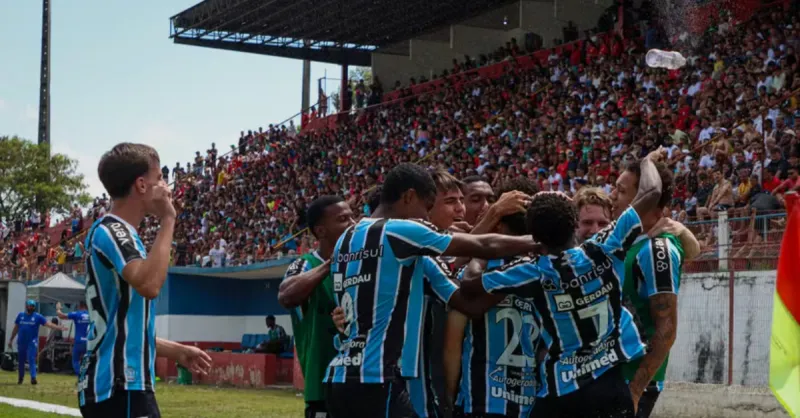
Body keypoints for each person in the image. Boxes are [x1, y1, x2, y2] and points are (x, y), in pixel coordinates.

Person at [460, 150, 666, 418]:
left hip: (562, 391)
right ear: (574, 223)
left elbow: (469, 283)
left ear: (534, 236)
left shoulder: (531, 272)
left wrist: (479, 255)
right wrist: (646, 162)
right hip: (610, 385)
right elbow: (651, 192)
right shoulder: (607, 244)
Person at [324, 163, 538, 418]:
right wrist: (541, 242)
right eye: (427, 207)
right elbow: (482, 246)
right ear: (409, 197)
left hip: (339, 375)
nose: (424, 218)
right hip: (380, 375)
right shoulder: (400, 232)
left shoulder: (345, 241)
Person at [78, 143, 212, 418]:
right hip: (121, 385)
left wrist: (174, 351)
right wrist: (168, 218)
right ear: (141, 185)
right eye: (160, 178)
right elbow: (149, 285)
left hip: (113, 385)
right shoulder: (114, 230)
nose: (165, 186)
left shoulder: (114, 232)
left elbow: (123, 325)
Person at [443, 177, 541, 418]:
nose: (485, 206)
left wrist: (447, 401)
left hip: (481, 402)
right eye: (476, 199)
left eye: (491, 201)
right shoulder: (547, 267)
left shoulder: (479, 269)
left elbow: (454, 341)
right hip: (528, 403)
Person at [610, 159, 699, 417]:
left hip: (631, 381)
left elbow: (667, 330)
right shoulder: (626, 240)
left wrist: (636, 389)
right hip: (612, 374)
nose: (612, 196)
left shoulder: (656, 249)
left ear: (647, 200)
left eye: (621, 191)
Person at [278, 195, 355, 418]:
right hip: (323, 386)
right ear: (321, 231)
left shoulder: (361, 264)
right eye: (343, 219)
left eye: (352, 217)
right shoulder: (305, 264)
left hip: (362, 383)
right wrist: (332, 264)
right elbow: (286, 296)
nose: (352, 224)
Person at [7, 299, 67, 384]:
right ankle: (20, 377)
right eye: (30, 306)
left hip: (32, 342)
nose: (31, 308)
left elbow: (48, 324)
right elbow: (16, 328)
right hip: (21, 342)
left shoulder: (38, 316)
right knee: (21, 360)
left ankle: (33, 377)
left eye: (33, 306)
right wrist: (11, 339)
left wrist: (59, 327)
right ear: (26, 306)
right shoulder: (20, 316)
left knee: (31, 358)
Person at [56, 301, 90, 375]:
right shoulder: (91, 315)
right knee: (88, 361)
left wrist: (58, 308)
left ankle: (80, 376)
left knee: (75, 360)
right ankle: (87, 377)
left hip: (78, 341)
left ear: (80, 306)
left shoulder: (77, 314)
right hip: (89, 342)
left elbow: (61, 316)